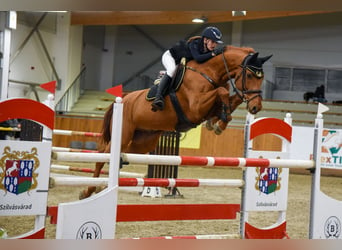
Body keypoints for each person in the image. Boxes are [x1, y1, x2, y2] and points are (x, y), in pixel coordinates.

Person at [151, 26, 224, 112]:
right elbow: (198, 58)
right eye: (213, 42)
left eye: (216, 43)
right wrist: (213, 54)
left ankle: (165, 74)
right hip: (170, 57)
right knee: (171, 69)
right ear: (205, 40)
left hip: (181, 63)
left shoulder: (207, 49)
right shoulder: (194, 43)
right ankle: (158, 97)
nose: (214, 45)